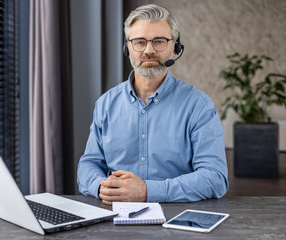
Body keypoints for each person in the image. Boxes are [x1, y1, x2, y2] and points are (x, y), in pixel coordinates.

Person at [77, 4, 228, 205]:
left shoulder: (199, 106)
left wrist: (148, 191)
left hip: (178, 220)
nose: (149, 50)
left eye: (159, 41)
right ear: (127, 48)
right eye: (139, 42)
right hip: (114, 220)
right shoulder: (105, 104)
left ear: (175, 49)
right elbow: (89, 164)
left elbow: (215, 178)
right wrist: (100, 185)